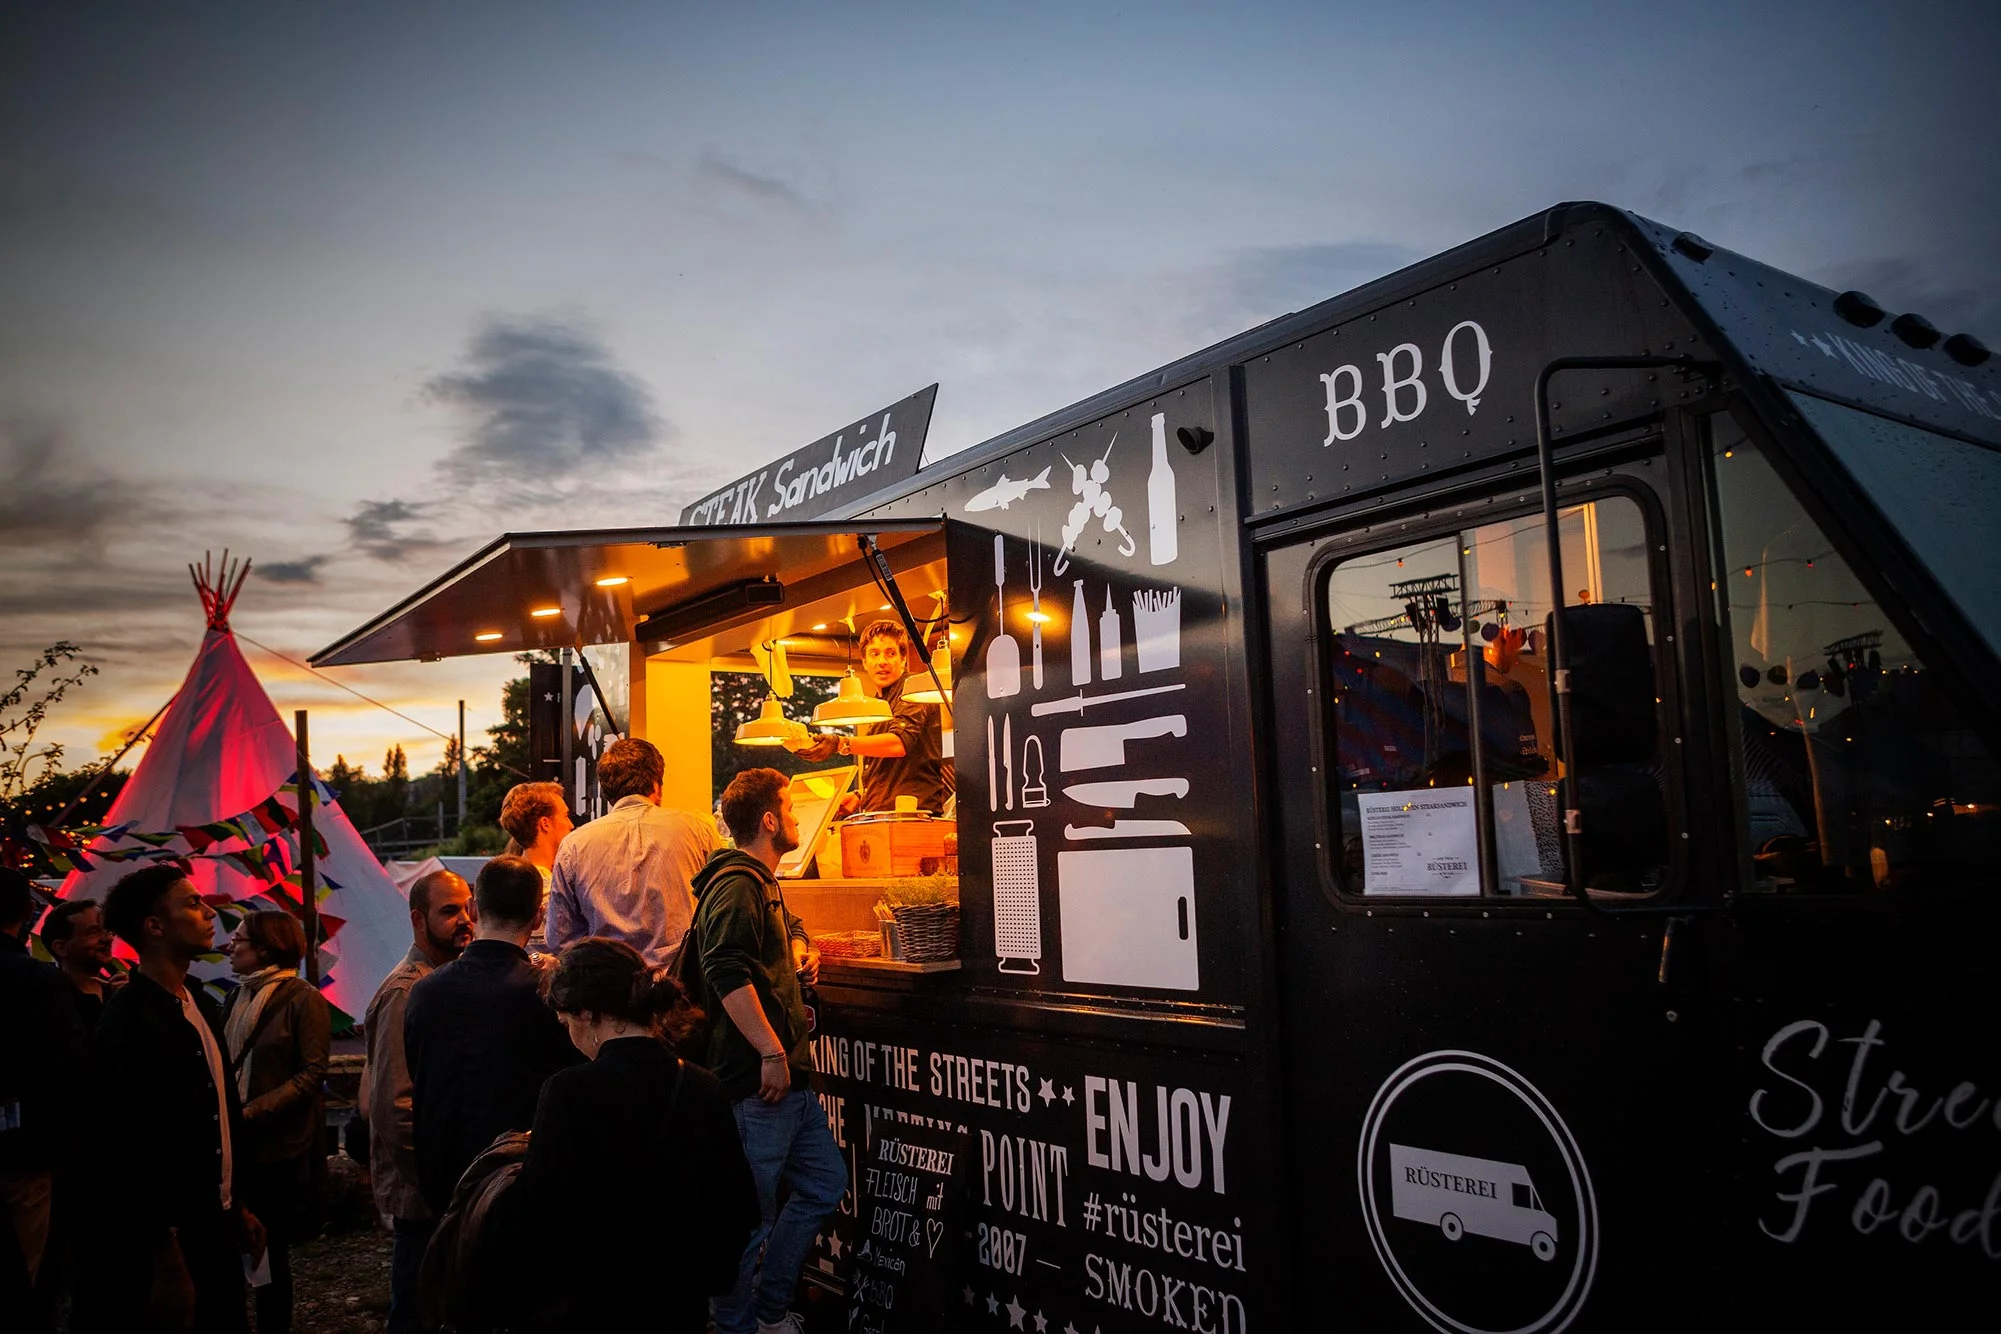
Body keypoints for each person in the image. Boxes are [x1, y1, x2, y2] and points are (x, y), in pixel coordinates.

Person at [494, 939, 759, 1331]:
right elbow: (738, 1205)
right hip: (680, 1300)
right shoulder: (702, 1085)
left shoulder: (569, 1091)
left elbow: (541, 1206)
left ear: (588, 1013)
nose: (568, 1035)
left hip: (595, 1302)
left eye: (566, 1023)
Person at [692, 769, 846, 1334]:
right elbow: (723, 968)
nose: (800, 816)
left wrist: (801, 946)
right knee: (748, 1219)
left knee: (825, 1183)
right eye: (791, 805)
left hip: (787, 1086)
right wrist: (772, 1053)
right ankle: (737, 1323)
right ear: (768, 819)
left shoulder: (761, 881)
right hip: (759, 1082)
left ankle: (768, 1309)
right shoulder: (738, 883)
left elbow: (792, 923)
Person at [81, 864, 263, 1334]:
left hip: (215, 1221)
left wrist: (236, 1202)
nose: (208, 913)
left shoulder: (198, 1004)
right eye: (192, 903)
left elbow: (218, 1116)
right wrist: (163, 1251)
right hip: (171, 1240)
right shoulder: (127, 1021)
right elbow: (123, 1146)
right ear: (154, 926)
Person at [404, 856, 581, 1217]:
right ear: (538, 917)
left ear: (473, 907)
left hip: (445, 1185)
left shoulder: (425, 992)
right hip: (521, 1181)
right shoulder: (547, 995)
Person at [362, 867, 473, 1334]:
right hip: (423, 1193)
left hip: (445, 1184)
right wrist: (432, 1178)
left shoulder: (445, 982)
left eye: (468, 908)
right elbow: (393, 1105)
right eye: (450, 911)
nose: (465, 920)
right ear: (417, 920)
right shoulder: (405, 992)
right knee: (415, 1309)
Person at [221, 910, 329, 1334]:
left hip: (276, 1148)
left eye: (240, 939)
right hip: (238, 1144)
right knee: (232, 1245)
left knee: (269, 1251)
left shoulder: (303, 998)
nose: (231, 944)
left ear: (265, 948)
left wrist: (251, 1111)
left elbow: (311, 1074)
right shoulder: (237, 997)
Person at [547, 737, 718, 968]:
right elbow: (720, 913)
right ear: (656, 785)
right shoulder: (699, 830)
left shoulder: (574, 845)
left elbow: (561, 939)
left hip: (608, 991)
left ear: (606, 791)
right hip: (682, 989)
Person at [1, 868, 85, 1330]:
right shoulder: (37, 980)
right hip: (25, 1148)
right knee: (26, 1273)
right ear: (29, 914)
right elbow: (64, 1065)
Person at [786, 619, 951, 815]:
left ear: (903, 658)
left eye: (890, 653)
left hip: (913, 815)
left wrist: (841, 743)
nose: (882, 661)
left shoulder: (914, 688)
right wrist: (860, 796)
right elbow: (887, 771)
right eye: (875, 654)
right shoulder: (878, 705)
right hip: (881, 814)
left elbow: (899, 744)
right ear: (864, 661)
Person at [38, 898, 121, 1034]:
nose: (108, 938)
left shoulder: (117, 991)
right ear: (61, 947)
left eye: (107, 930)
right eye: (94, 932)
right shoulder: (51, 1004)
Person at [498, 782, 572, 887]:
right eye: (565, 816)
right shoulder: (551, 890)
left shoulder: (510, 880)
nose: (571, 825)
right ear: (545, 824)